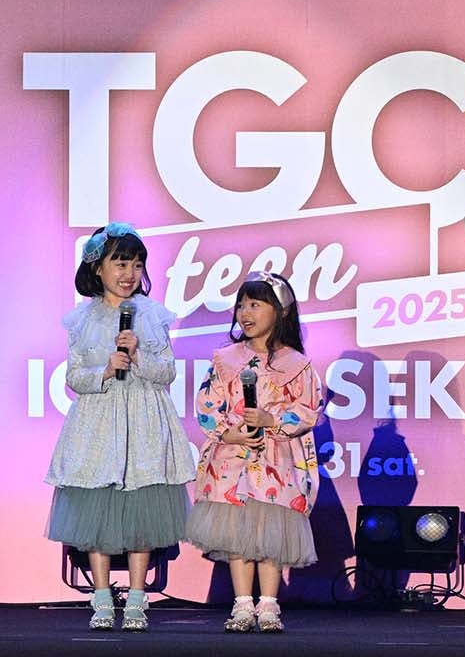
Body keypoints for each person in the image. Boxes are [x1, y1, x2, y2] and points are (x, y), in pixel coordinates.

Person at [44, 223, 194, 632]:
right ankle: (101, 599)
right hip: (97, 420)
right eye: (121, 263)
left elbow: (167, 372)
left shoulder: (152, 315)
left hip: (144, 417)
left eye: (137, 264)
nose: (130, 273)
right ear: (98, 268)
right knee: (97, 508)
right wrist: (106, 370)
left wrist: (138, 355)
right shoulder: (82, 319)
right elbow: (74, 378)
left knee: (142, 508)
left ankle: (139, 599)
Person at [187, 272, 321, 634]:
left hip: (276, 459)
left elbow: (308, 409)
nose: (245, 313)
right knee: (237, 533)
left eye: (255, 304)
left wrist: (271, 420)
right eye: (242, 305)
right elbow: (208, 403)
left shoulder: (296, 364)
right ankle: (243, 603)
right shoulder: (226, 359)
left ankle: (269, 604)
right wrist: (229, 432)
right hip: (232, 457)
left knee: (270, 532)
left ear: (281, 311)